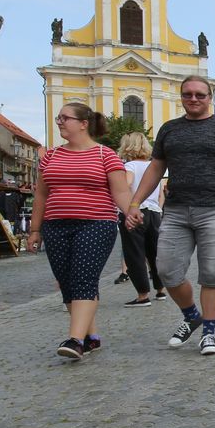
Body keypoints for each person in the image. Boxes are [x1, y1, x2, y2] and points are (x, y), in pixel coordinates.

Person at [127, 75, 215, 356]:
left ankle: (209, 333)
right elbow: (156, 168)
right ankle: (192, 315)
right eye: (187, 94)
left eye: (200, 95)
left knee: (212, 274)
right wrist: (135, 202)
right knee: (167, 270)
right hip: (176, 210)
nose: (193, 99)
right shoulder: (170, 129)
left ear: (210, 98)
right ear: (181, 97)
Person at [27, 103, 133, 359]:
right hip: (55, 225)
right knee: (66, 282)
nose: (60, 122)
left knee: (84, 278)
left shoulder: (105, 155)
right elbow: (41, 195)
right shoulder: (51, 156)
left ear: (84, 123)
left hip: (96, 223)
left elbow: (120, 191)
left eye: (65, 118)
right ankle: (90, 337)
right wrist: (35, 229)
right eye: (58, 118)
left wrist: (132, 212)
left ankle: (75, 340)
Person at [117, 132, 164, 306]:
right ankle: (160, 289)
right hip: (154, 212)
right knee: (154, 253)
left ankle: (143, 295)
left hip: (135, 211)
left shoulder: (129, 166)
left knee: (134, 253)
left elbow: (126, 184)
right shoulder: (153, 166)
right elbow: (160, 193)